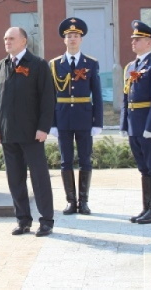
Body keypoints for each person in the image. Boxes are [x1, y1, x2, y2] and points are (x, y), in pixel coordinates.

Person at [0, 27, 56, 237]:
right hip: (8, 133)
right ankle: (23, 220)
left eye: (11, 38)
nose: (7, 41)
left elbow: (48, 99)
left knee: (39, 178)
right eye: (5, 38)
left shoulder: (38, 65)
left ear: (24, 41)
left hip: (32, 133)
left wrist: (43, 127)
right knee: (15, 179)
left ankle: (46, 221)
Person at [49, 18, 103, 215]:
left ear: (81, 40)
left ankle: (84, 201)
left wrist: (97, 121)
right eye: (69, 36)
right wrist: (51, 123)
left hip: (84, 118)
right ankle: (71, 201)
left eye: (76, 36)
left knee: (85, 160)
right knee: (65, 161)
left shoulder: (90, 63)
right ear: (64, 40)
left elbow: (96, 94)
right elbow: (50, 97)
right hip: (62, 118)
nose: (72, 39)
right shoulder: (54, 65)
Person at [120, 20, 151, 225]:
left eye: (137, 39)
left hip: (150, 126)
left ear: (149, 43)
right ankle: (146, 207)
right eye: (133, 39)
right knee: (143, 167)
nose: (133, 42)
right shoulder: (131, 66)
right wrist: (124, 124)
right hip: (134, 125)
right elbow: (126, 97)